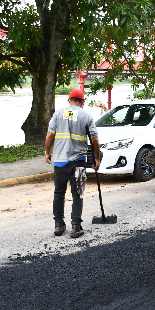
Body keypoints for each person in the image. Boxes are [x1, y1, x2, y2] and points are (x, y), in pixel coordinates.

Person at [45, 88, 100, 238]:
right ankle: (76, 226)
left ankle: (58, 225)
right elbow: (94, 139)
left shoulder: (58, 114)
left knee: (59, 193)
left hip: (60, 162)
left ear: (69, 100)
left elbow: (50, 135)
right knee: (78, 194)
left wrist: (48, 152)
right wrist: (97, 158)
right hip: (79, 162)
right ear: (82, 102)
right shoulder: (86, 115)